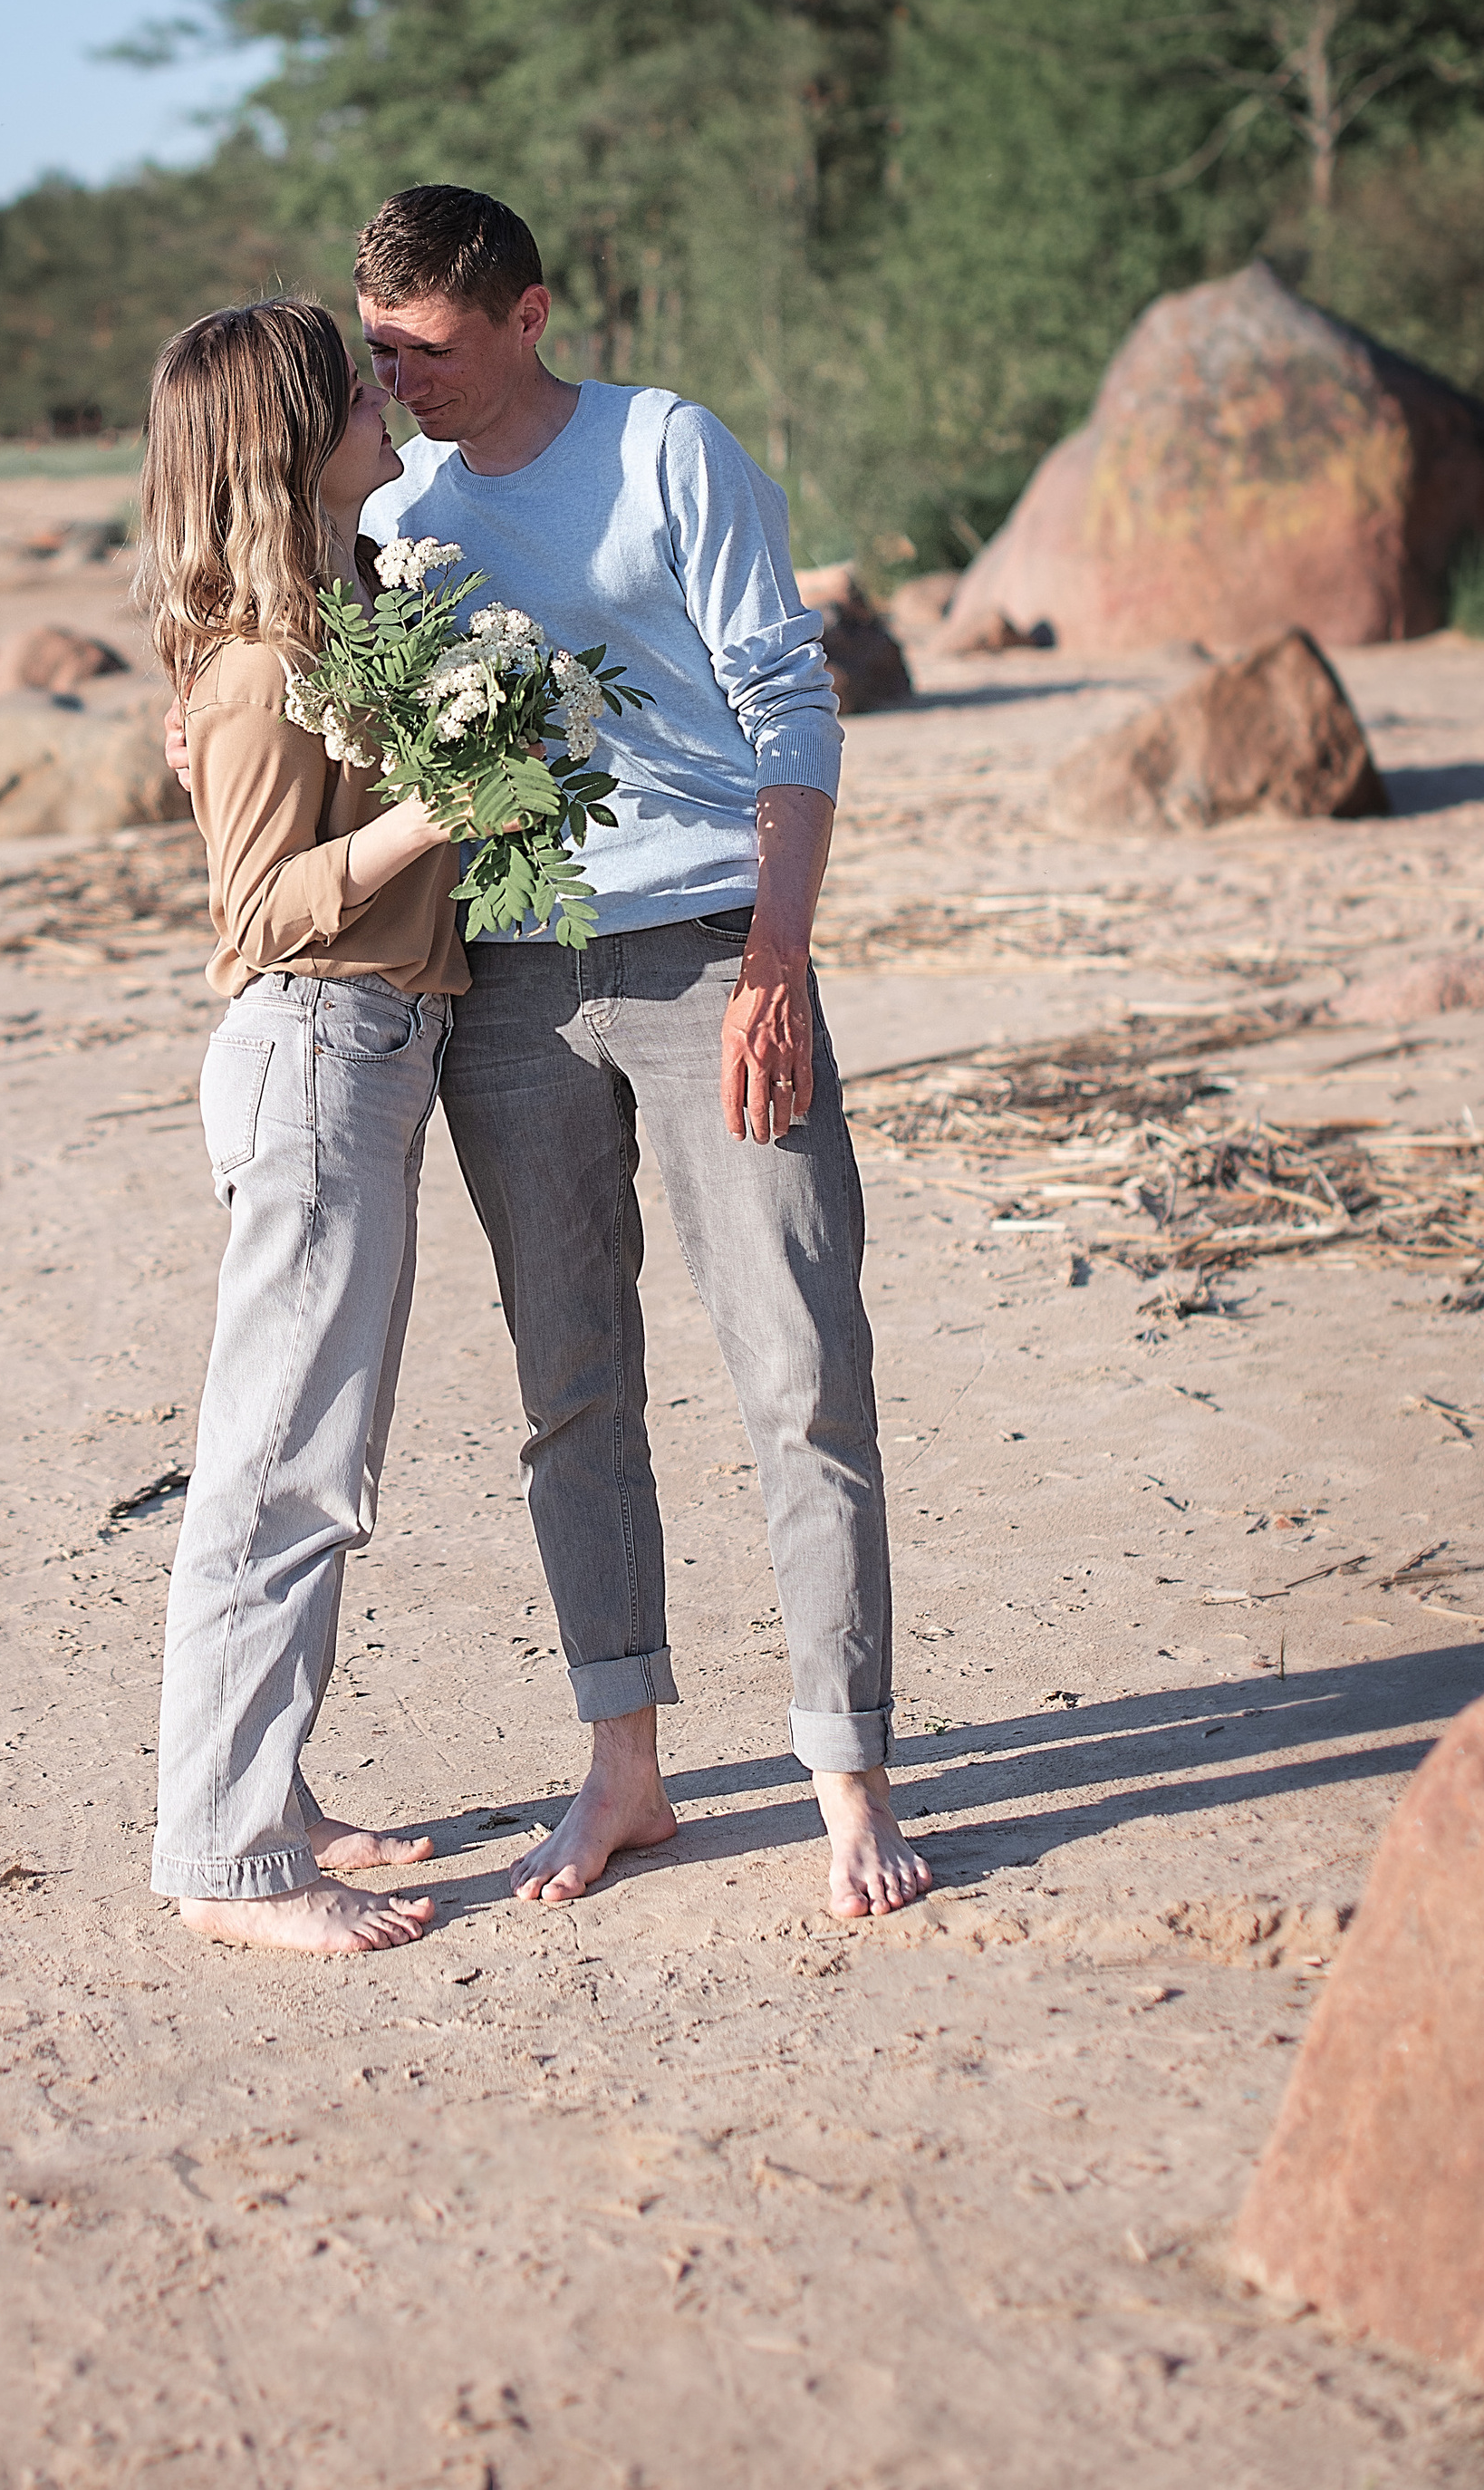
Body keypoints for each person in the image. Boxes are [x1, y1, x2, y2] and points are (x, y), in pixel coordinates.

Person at [351, 186, 931, 1922]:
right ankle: (629, 1771)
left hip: (711, 957)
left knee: (800, 1358)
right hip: (510, 976)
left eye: (430, 350)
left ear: (528, 317)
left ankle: (851, 1775)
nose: (401, 384)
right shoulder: (397, 510)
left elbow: (791, 702)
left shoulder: (670, 450)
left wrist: (776, 956)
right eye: (378, 352)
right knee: (571, 1385)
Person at [135, 298, 465, 1954]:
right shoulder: (269, 668)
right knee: (277, 1475)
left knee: (310, 1464)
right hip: (315, 1051)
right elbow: (255, 912)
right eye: (357, 386)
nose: (385, 398)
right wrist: (436, 808)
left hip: (364, 1055)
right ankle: (228, 1861)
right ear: (295, 436)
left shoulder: (332, 620)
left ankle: (269, 1790)